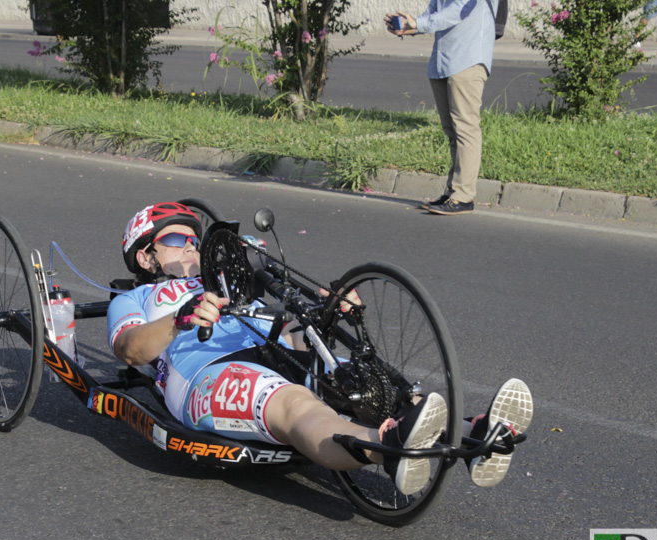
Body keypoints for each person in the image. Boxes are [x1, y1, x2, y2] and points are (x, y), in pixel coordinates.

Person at [106, 202, 534, 493]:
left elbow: (285, 299)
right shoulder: (135, 300)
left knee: (365, 379)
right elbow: (129, 349)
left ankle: (473, 432)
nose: (193, 248)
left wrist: (329, 305)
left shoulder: (225, 278)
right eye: (179, 242)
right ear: (146, 257)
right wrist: (180, 318)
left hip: (275, 348)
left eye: (195, 240)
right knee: (294, 405)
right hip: (207, 371)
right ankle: (385, 445)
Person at [386, 1, 500, 216]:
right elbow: (435, 11)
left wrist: (418, 23)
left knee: (466, 129)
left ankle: (464, 196)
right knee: (452, 131)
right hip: (443, 60)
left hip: (468, 59)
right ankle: (454, 191)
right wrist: (409, 27)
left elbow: (459, 10)